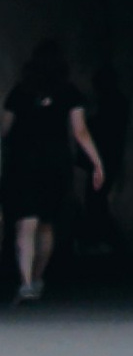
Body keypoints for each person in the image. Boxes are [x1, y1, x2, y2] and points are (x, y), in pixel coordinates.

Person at [0, 38, 106, 304]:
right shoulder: (70, 92)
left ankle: (25, 283)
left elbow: (4, 129)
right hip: (55, 165)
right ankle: (36, 278)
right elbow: (80, 131)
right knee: (47, 226)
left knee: (25, 225)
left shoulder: (20, 91)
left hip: (22, 164)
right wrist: (97, 162)